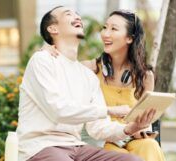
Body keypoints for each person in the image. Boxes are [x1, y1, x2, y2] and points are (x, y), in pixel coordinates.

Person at [16, 6, 156, 161]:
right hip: (41, 147)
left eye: (77, 14)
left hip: (76, 147)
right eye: (68, 14)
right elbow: (57, 111)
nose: (77, 17)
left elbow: (98, 128)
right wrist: (110, 110)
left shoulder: (87, 76)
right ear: (53, 29)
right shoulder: (42, 60)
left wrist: (130, 128)